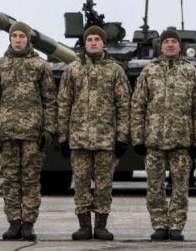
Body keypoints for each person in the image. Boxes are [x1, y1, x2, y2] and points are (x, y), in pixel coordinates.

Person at [57, 25, 130, 240]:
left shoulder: (115, 71)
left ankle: (100, 226)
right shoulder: (73, 69)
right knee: (80, 184)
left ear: (103, 43)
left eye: (97, 39)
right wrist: (63, 137)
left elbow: (124, 105)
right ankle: (84, 226)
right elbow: (64, 104)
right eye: (89, 39)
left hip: (105, 139)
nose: (93, 42)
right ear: (85, 43)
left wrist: (122, 137)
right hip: (79, 139)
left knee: (104, 185)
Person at [132, 29, 196, 241]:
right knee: (154, 188)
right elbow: (138, 106)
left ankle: (176, 226)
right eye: (166, 42)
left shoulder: (191, 72)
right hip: (154, 140)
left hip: (181, 141)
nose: (170, 45)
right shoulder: (149, 71)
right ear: (161, 46)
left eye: (174, 41)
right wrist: (138, 138)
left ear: (179, 46)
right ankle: (159, 224)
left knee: (180, 188)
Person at [0, 21, 56, 241]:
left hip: (32, 134)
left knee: (30, 180)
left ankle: (28, 224)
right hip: (7, 133)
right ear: (10, 39)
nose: (18, 40)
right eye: (14, 36)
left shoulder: (40, 66)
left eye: (21, 36)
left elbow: (49, 101)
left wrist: (48, 130)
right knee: (10, 180)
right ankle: (14, 222)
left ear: (28, 39)